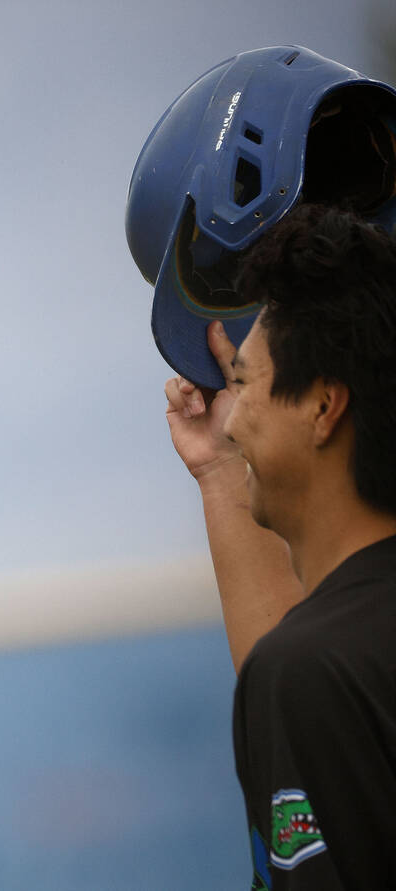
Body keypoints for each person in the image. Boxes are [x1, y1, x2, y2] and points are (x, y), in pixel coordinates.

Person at [163, 203, 396, 889]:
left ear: (324, 407)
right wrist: (216, 472)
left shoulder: (309, 671)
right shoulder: (328, 654)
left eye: (245, 383)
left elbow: (304, 662)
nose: (234, 423)